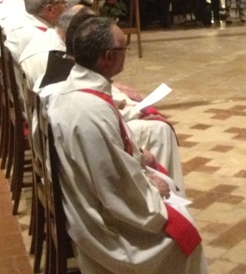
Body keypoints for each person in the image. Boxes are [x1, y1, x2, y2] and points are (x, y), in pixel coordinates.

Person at [46, 16, 208, 274]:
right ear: (109, 57)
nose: (126, 54)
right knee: (186, 238)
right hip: (105, 231)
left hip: (88, 203)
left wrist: (141, 162)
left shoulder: (73, 90)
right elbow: (116, 189)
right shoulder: (90, 111)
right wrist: (153, 192)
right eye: (124, 49)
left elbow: (111, 163)